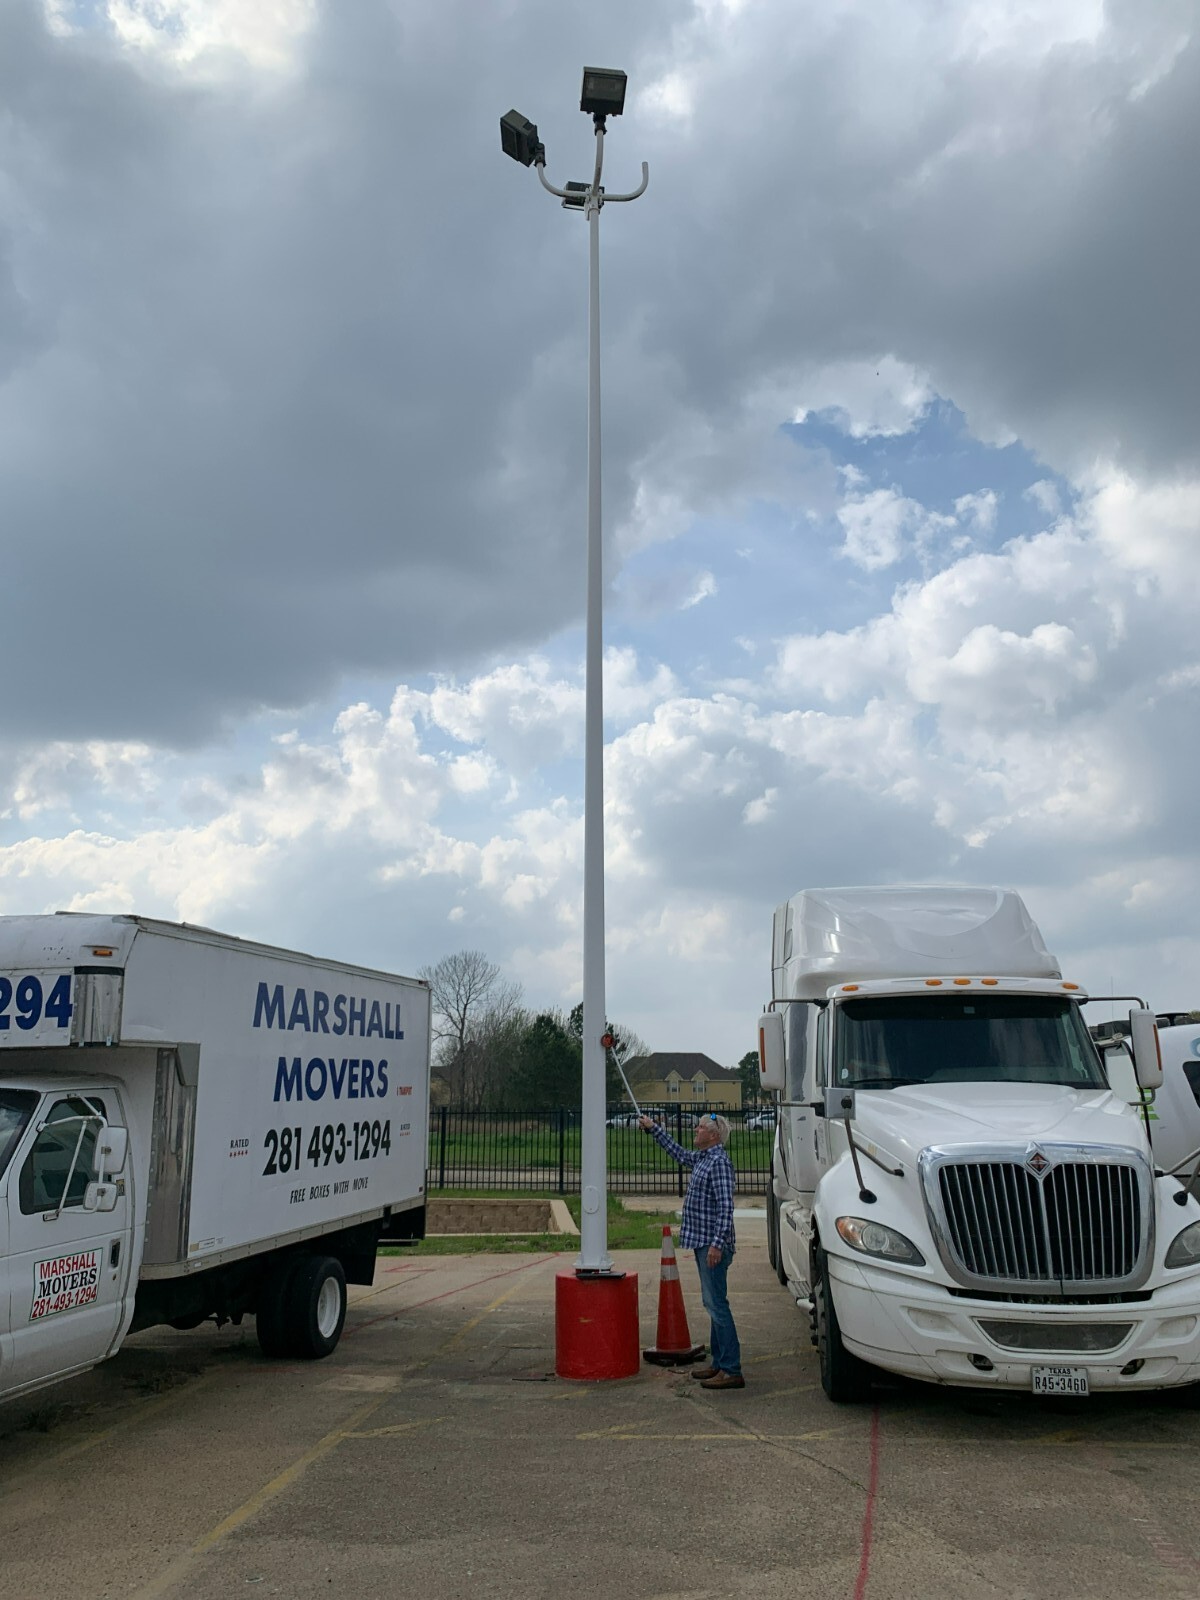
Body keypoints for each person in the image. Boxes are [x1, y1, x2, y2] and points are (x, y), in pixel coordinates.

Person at [639, 1111, 743, 1390]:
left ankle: (731, 1368)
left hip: (712, 1245)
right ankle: (719, 1363)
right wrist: (654, 1128)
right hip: (703, 1243)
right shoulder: (703, 1158)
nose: (695, 1130)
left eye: (700, 1127)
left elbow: (726, 1207)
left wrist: (717, 1244)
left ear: (714, 1135)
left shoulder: (719, 1162)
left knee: (716, 1305)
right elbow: (679, 1153)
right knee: (713, 1303)